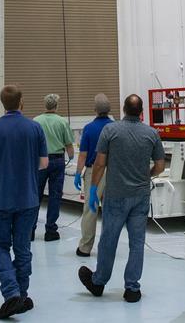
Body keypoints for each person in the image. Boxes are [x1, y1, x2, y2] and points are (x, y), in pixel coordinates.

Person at [78, 94, 166, 304]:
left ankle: (98, 282)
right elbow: (161, 166)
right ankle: (132, 288)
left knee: (109, 240)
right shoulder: (152, 134)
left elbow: (99, 164)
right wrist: (147, 175)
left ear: (124, 110)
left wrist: (92, 190)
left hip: (116, 195)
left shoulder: (111, 131)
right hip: (140, 196)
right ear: (142, 111)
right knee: (137, 243)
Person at [0, 85, 49, 320]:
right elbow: (44, 164)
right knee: (23, 248)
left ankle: (11, 293)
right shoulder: (35, 128)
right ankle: (23, 294)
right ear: (22, 102)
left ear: (2, 103)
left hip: (1, 199)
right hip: (28, 199)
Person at [75, 94, 114, 257]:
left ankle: (85, 247)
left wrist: (78, 173)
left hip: (93, 172)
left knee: (90, 210)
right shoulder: (115, 127)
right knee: (111, 210)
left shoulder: (89, 129)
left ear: (95, 109)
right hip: (113, 172)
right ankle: (108, 247)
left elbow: (83, 155)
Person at [32, 93, 74, 241]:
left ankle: (30, 230)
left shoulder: (36, 121)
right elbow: (69, 145)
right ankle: (50, 231)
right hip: (57, 161)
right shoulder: (62, 122)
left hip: (39, 161)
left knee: (35, 195)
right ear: (56, 106)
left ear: (45, 105)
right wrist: (71, 156)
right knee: (55, 196)